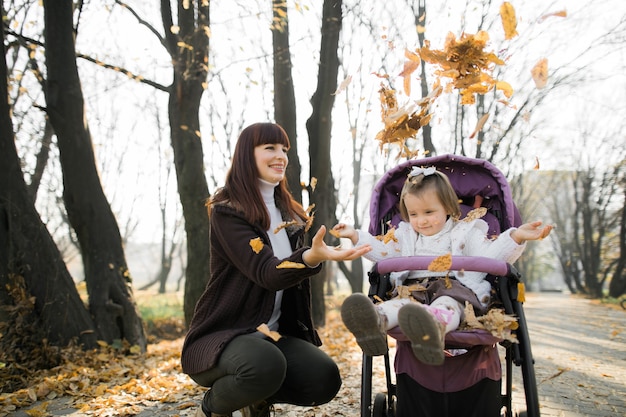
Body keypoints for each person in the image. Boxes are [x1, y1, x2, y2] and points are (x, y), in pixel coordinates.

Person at [181, 123, 371, 417]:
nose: (280, 155)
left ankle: (256, 394)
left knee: (324, 378)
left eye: (284, 149)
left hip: (272, 336)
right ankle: (216, 405)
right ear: (247, 155)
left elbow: (291, 274)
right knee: (264, 364)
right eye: (270, 148)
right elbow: (267, 273)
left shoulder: (290, 214)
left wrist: (315, 255)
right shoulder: (228, 212)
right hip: (225, 336)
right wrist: (308, 256)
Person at [333, 165, 552, 366]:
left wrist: (516, 237)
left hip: (454, 289)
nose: (421, 221)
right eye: (413, 214)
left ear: (448, 207)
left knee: (446, 304)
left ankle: (433, 329)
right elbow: (385, 253)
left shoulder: (466, 231)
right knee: (401, 306)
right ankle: (375, 322)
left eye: (429, 212)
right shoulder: (406, 235)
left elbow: (491, 257)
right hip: (412, 292)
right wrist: (355, 236)